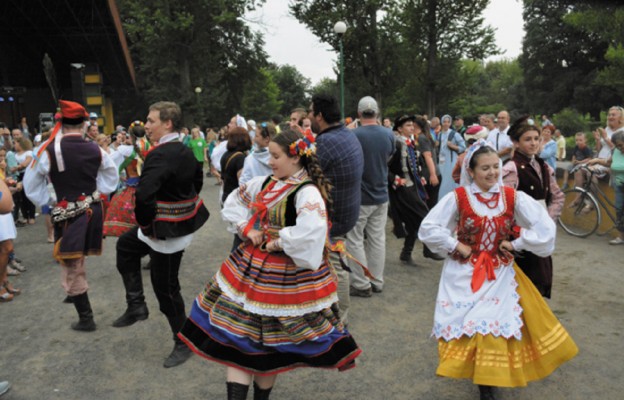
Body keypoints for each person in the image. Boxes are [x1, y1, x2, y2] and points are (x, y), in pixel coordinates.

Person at [178, 130, 361, 400]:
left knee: (269, 347)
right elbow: (234, 202)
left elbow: (311, 233)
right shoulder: (266, 183)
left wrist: (277, 242)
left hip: (285, 277)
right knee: (239, 339)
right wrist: (245, 228)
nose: (270, 161)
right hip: (250, 270)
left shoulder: (307, 192)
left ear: (296, 158)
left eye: (276, 156)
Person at [418, 140, 578, 400]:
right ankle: (481, 379)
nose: (492, 173)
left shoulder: (512, 197)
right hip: (464, 272)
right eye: (485, 168)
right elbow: (428, 228)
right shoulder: (457, 198)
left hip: (500, 272)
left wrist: (517, 243)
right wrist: (455, 244)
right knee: (470, 326)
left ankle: (487, 385)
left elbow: (544, 228)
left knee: (492, 328)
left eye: (496, 167)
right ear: (471, 171)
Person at [112, 101, 209, 368]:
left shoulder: (163, 153)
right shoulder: (183, 147)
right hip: (171, 223)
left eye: (151, 120)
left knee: (166, 288)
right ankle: (136, 306)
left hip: (165, 230)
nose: (147, 125)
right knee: (126, 246)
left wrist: (146, 225)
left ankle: (184, 341)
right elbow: (197, 181)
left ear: (167, 123)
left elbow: (144, 195)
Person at [23, 100, 119, 331]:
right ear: (84, 123)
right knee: (75, 256)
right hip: (92, 209)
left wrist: (50, 201)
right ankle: (75, 295)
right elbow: (111, 177)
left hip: (67, 212)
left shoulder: (47, 150)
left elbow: (31, 184)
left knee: (70, 260)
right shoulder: (95, 148)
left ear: (61, 122)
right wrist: (95, 192)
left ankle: (86, 318)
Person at [307, 94, 364, 326]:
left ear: (319, 116)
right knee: (336, 263)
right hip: (347, 211)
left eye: (311, 112)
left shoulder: (326, 143)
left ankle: (339, 317)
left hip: (335, 219)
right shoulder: (345, 135)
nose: (309, 116)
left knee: (336, 267)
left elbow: (306, 179)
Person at [503, 118, 564, 298]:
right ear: (516, 143)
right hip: (520, 230)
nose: (533, 143)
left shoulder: (543, 167)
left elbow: (557, 196)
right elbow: (506, 203)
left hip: (540, 228)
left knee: (539, 276)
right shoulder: (511, 168)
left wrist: (547, 222)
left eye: (536, 139)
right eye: (528, 139)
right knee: (521, 280)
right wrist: (515, 231)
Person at [346, 96, 394, 297]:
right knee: (377, 238)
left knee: (354, 239)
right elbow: (389, 157)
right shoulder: (388, 134)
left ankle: (361, 283)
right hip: (381, 194)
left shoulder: (353, 135)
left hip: (359, 196)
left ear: (359, 114)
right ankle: (376, 279)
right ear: (377, 113)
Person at [388, 115, 436, 266]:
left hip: (415, 187)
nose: (411, 127)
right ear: (400, 129)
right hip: (404, 190)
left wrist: (421, 176)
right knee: (424, 216)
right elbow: (384, 166)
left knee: (413, 222)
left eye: (412, 125)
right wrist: (396, 179)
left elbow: (418, 163)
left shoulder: (412, 143)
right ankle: (428, 248)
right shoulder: (396, 144)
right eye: (408, 125)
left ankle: (406, 253)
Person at [103, 122, 146, 237]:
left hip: (131, 188)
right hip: (147, 187)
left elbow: (109, 163)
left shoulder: (124, 150)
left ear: (130, 136)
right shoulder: (149, 149)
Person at [587, 131, 624, 245]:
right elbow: (609, 163)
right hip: (619, 185)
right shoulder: (616, 151)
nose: (619, 148)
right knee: (619, 210)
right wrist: (597, 161)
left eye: (621, 145)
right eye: (617, 146)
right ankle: (621, 237)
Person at [437, 114, 466, 200]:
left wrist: (453, 146)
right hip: (442, 162)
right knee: (443, 181)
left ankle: (453, 199)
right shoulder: (440, 134)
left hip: (451, 161)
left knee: (450, 181)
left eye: (448, 122)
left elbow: (463, 147)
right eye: (444, 122)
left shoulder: (454, 134)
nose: (446, 124)